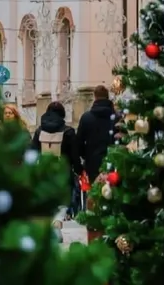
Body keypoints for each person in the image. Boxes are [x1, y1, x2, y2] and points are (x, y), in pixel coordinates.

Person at [30, 101, 81, 230]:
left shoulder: (39, 131)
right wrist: (78, 169)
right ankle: (58, 221)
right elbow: (75, 154)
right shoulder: (68, 131)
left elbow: (32, 151)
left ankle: (49, 223)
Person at [76, 84, 117, 182]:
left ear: (95, 97)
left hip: (92, 164)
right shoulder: (116, 118)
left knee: (93, 194)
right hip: (114, 163)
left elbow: (78, 143)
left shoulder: (86, 117)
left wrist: (86, 156)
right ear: (107, 97)